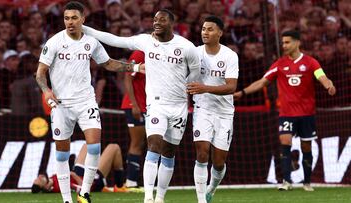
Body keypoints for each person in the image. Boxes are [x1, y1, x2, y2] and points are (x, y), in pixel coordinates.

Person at [82, 9, 200, 203]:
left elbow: (194, 73)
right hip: (156, 105)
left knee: (169, 153)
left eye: (162, 19)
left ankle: (160, 197)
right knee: (153, 145)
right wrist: (85, 29)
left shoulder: (186, 47)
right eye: (155, 19)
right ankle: (148, 197)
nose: (157, 22)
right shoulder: (145, 41)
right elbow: (115, 39)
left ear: (172, 23)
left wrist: (183, 87)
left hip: (179, 107)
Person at [35, 2, 141, 203]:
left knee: (94, 147)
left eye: (74, 18)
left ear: (83, 19)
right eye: (66, 18)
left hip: (86, 102)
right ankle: (67, 199)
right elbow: (40, 73)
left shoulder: (91, 42)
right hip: (61, 104)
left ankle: (84, 193)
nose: (70, 22)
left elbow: (108, 63)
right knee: (62, 153)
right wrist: (46, 90)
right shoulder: (55, 42)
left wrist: (133, 68)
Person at [234, 30, 336, 192]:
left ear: (297, 43)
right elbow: (262, 82)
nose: (284, 45)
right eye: (283, 43)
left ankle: (307, 182)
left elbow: (321, 76)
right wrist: (243, 92)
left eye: (287, 42)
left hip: (306, 114)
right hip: (287, 113)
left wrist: (328, 85)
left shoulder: (310, 62)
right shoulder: (279, 64)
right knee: (285, 142)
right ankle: (286, 181)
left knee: (306, 147)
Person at [186, 16, 239, 203]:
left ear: (220, 33)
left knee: (219, 161)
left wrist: (205, 88)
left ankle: (211, 189)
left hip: (224, 113)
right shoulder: (194, 53)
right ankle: (201, 200)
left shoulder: (230, 56)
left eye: (209, 29)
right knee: (201, 152)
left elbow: (231, 87)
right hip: (202, 108)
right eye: (203, 29)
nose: (205, 32)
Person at [31, 143, 126, 193]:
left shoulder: (52, 179)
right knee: (114, 147)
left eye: (36, 179)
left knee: (88, 145)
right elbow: (83, 188)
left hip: (78, 172)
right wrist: (73, 174)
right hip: (90, 181)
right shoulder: (60, 187)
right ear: (45, 187)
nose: (38, 177)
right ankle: (120, 186)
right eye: (38, 181)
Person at [120, 50, 146, 189]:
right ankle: (130, 182)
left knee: (142, 144)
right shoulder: (139, 54)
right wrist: (134, 104)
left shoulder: (158, 54)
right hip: (135, 105)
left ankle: (134, 181)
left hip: (146, 105)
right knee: (136, 143)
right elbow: (127, 78)